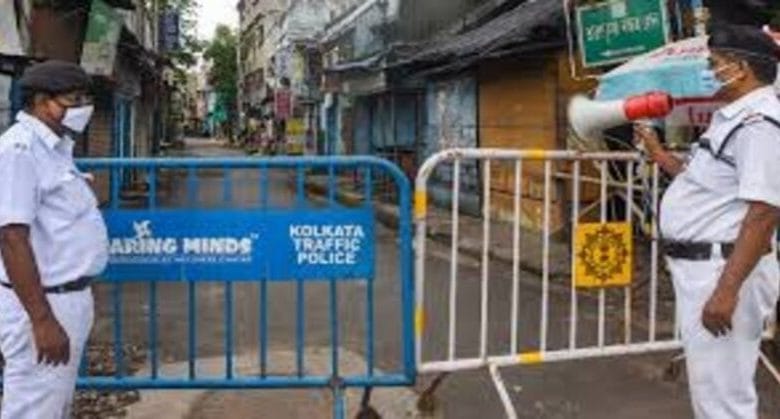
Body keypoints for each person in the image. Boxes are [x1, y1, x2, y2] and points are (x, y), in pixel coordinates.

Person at [635, 25, 780, 418]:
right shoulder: (733, 119)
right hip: (708, 267)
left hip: (723, 270)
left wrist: (726, 291)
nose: (709, 72)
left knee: (723, 399)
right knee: (712, 389)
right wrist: (658, 154)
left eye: (714, 64)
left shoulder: (760, 124)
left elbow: (765, 211)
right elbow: (704, 182)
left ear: (741, 68)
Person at [0, 60, 108, 418]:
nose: (83, 108)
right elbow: (12, 237)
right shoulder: (19, 150)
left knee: (54, 405)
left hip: (66, 298)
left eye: (86, 99)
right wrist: (42, 321)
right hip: (43, 303)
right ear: (41, 101)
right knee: (33, 408)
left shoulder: (55, 147)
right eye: (73, 100)